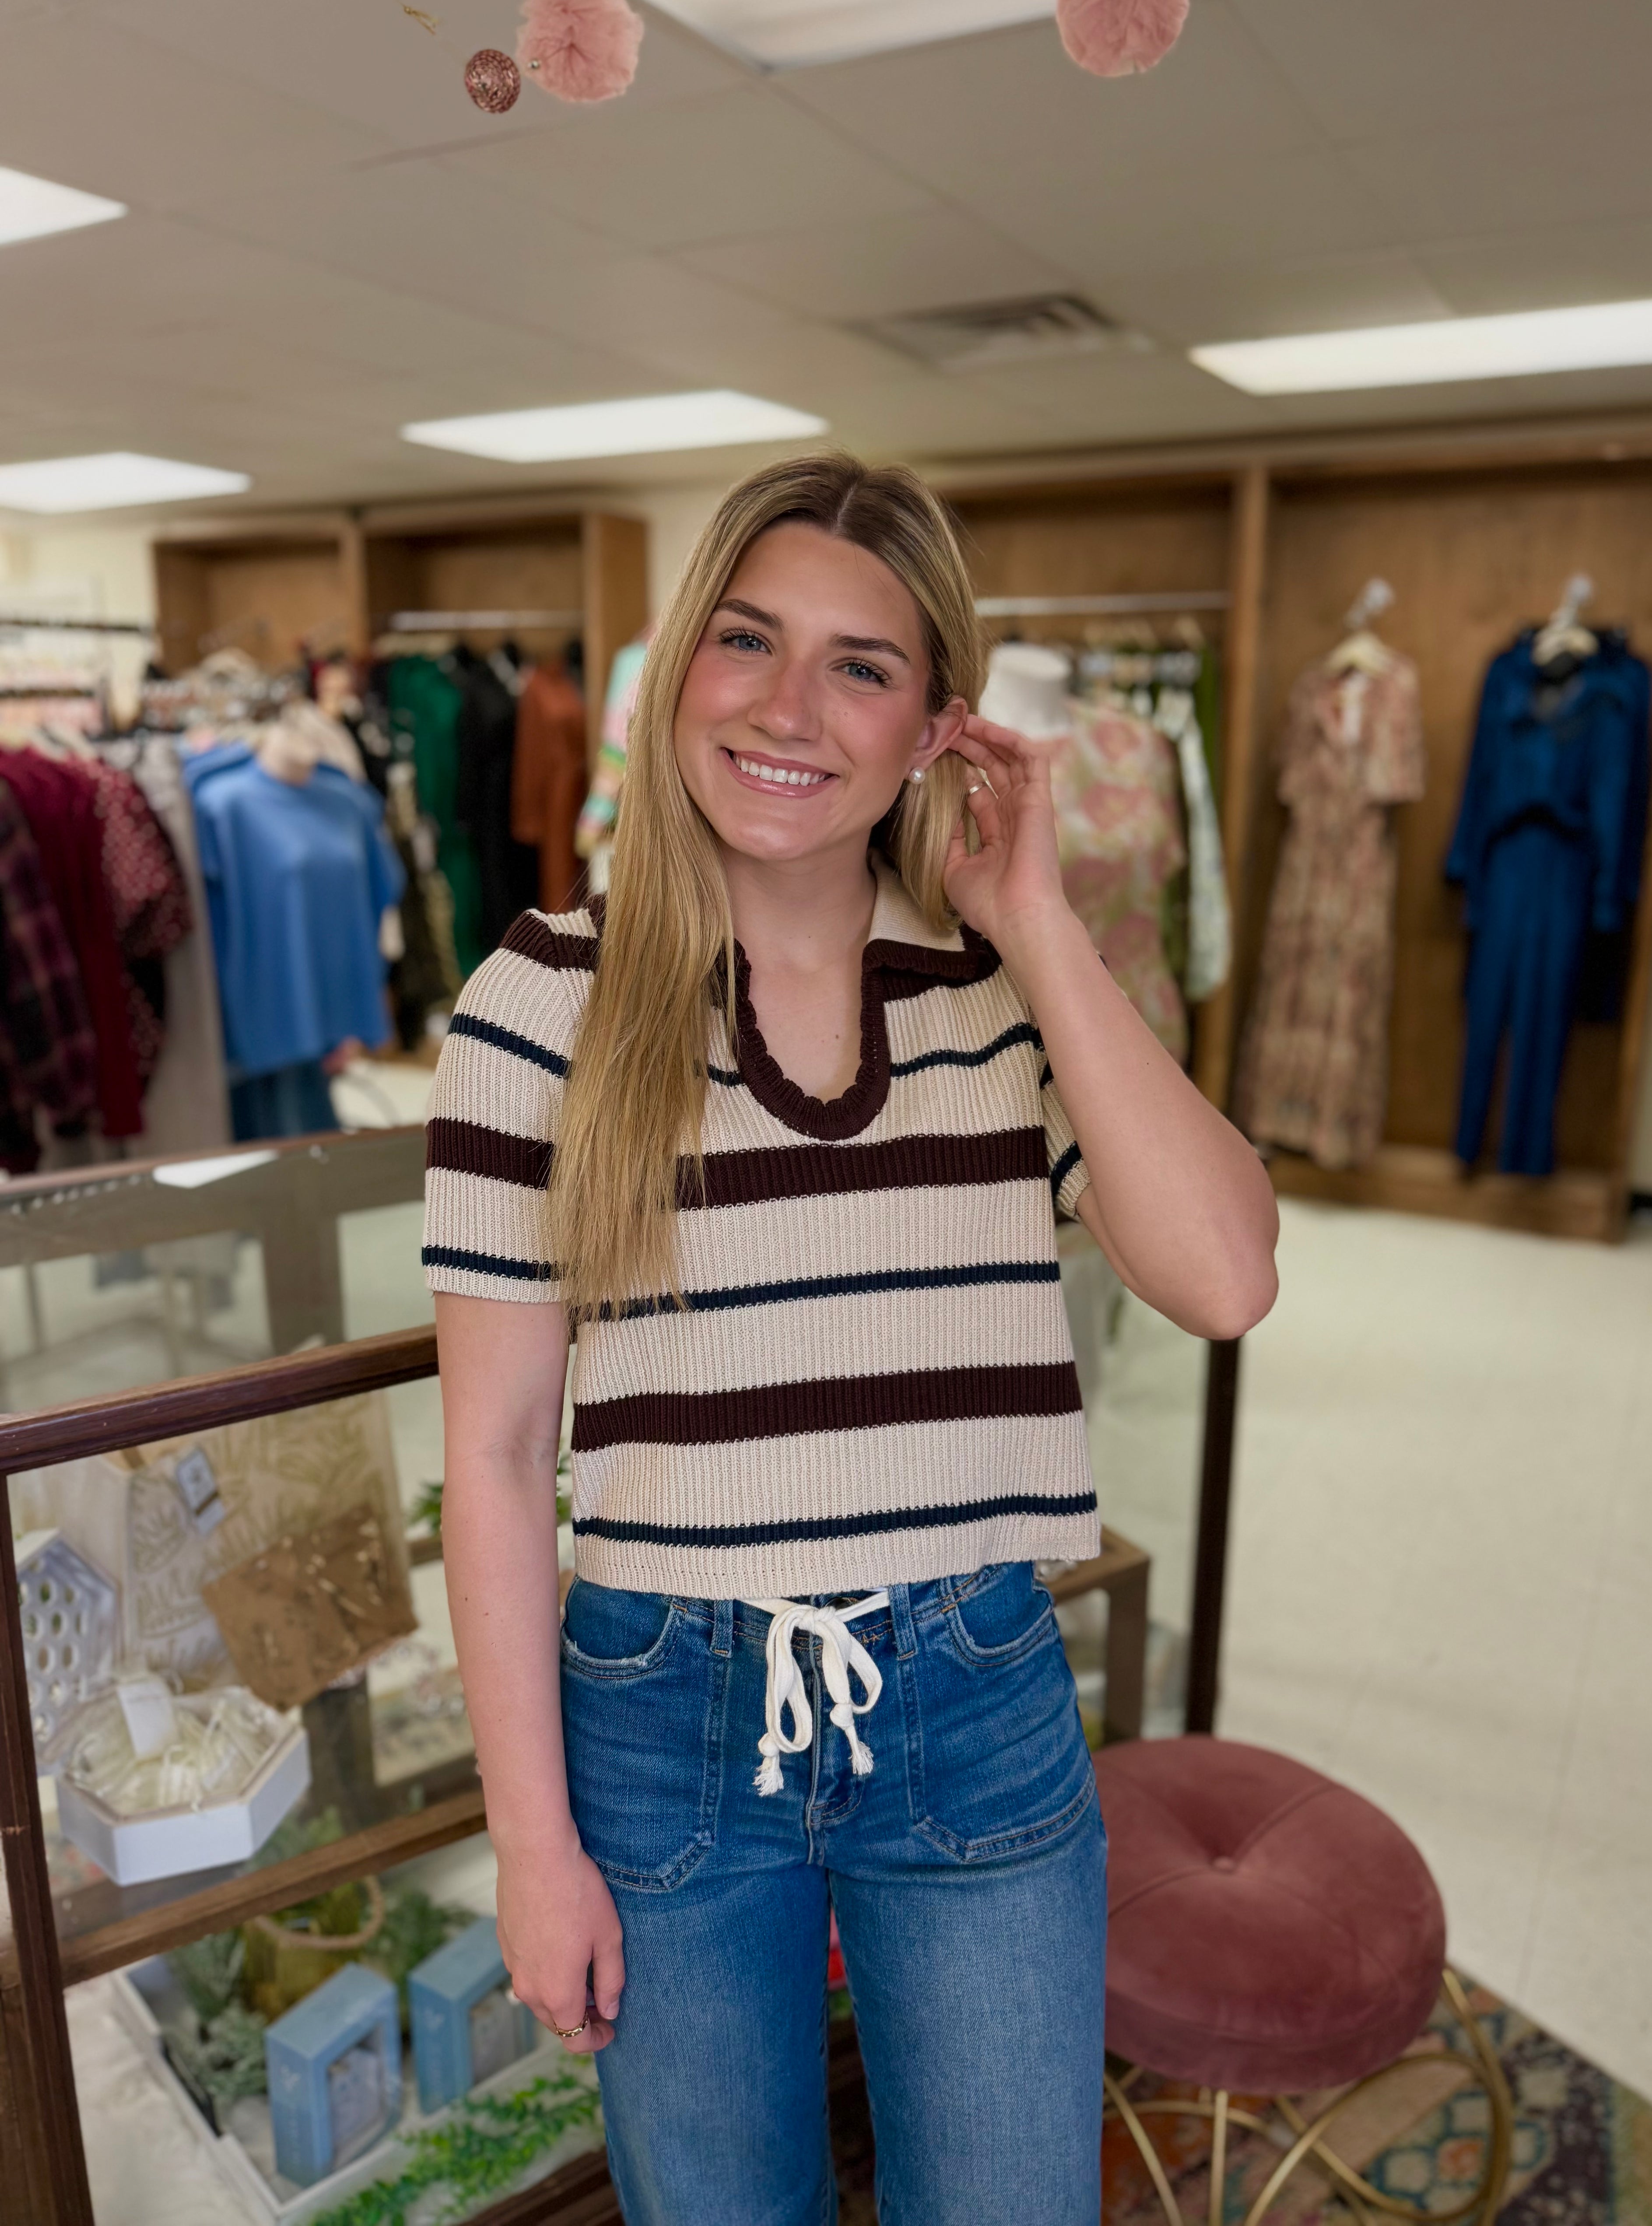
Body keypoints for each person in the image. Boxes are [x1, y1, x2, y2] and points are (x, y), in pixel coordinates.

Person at [425, 452, 1278, 2224]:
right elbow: (498, 1459)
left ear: (934, 725)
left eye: (862, 666)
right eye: (746, 639)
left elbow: (1223, 1276)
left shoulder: (997, 994)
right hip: (659, 1721)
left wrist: (1039, 916)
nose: (789, 706)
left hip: (971, 1692)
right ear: (678, 671)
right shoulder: (536, 1006)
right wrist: (531, 1844)